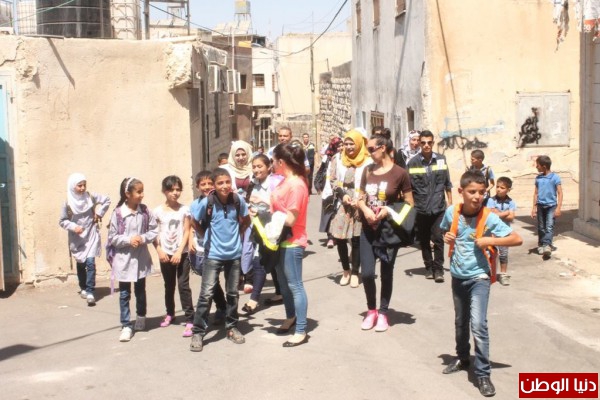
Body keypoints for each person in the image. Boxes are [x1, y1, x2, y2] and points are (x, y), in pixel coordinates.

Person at [440, 170, 522, 397]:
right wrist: (446, 237)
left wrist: (490, 240)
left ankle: (483, 373)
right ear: (461, 192)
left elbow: (517, 238)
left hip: (480, 278)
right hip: (458, 276)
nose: (477, 197)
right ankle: (463, 358)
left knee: (478, 324)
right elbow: (443, 231)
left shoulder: (489, 217)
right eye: (472, 192)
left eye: (482, 192)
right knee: (460, 321)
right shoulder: (452, 212)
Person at [189, 168, 251, 352]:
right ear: (214, 186)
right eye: (220, 183)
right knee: (206, 294)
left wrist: (238, 234)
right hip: (213, 255)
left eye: (227, 182)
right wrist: (205, 235)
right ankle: (198, 332)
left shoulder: (238, 200)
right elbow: (194, 221)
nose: (224, 186)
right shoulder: (207, 203)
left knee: (233, 294)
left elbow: (246, 220)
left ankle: (231, 327)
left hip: (234, 255)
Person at [357, 134, 413, 332]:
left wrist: (387, 211)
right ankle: (371, 310)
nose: (369, 153)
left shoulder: (400, 173)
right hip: (367, 229)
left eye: (371, 149)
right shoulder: (367, 170)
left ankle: (383, 312)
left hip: (388, 230)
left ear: (383, 148)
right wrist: (365, 210)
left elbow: (409, 203)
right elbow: (360, 197)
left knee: (386, 273)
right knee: (367, 273)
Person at [107, 177, 159, 342]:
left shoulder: (145, 211)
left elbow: (153, 230)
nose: (142, 195)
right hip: (124, 260)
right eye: (138, 192)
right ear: (127, 194)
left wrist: (142, 238)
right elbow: (113, 237)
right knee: (124, 293)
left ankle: (141, 316)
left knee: (140, 290)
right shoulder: (118, 214)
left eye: (142, 191)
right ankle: (126, 325)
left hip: (140, 259)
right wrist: (129, 240)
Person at [271, 143, 310, 347]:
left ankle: (301, 330)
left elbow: (291, 219)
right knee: (284, 285)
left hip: (292, 241)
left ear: (281, 162)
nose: (271, 164)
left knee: (295, 286)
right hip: (280, 240)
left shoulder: (296, 185)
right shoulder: (285, 181)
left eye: (273, 161)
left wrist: (266, 216)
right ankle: (291, 317)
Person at [407, 130, 453, 283]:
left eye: (429, 142)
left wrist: (450, 204)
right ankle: (428, 267)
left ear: (433, 143)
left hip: (438, 207)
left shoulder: (441, 160)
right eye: (423, 142)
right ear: (419, 144)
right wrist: (411, 206)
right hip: (420, 208)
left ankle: (438, 269)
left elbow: (447, 183)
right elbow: (408, 188)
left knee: (438, 238)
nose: (426, 145)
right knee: (424, 240)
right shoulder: (412, 163)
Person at [59, 173, 111, 306]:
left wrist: (99, 213)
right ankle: (83, 287)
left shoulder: (90, 197)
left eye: (84, 185)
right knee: (81, 263)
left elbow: (107, 200)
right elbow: (62, 221)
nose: (82, 188)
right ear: (73, 186)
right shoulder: (67, 203)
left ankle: (90, 291)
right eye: (79, 186)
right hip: (77, 238)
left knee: (90, 262)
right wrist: (74, 227)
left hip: (91, 234)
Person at [329, 129, 372, 288]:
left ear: (359, 144)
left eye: (352, 144)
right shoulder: (338, 159)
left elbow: (371, 184)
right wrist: (342, 195)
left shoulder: (368, 161)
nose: (348, 147)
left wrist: (361, 200)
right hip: (343, 203)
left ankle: (355, 272)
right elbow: (333, 180)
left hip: (360, 203)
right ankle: (345, 270)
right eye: (346, 144)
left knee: (356, 239)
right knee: (340, 237)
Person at [242, 154, 284, 314]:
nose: (256, 170)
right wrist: (251, 209)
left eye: (260, 166)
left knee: (262, 260)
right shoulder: (253, 183)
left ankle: (254, 300)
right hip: (259, 227)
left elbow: (282, 206)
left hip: (275, 228)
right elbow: (249, 202)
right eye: (254, 167)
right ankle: (278, 293)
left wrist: (264, 203)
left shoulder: (276, 183)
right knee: (266, 260)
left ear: (268, 167)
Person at [153, 175, 194, 336]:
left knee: (183, 285)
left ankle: (190, 319)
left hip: (181, 254)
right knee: (169, 285)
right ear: (164, 191)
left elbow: (187, 231)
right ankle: (170, 313)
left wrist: (179, 251)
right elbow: (153, 233)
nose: (175, 193)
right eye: (171, 190)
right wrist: (159, 250)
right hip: (165, 254)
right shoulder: (157, 211)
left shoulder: (184, 210)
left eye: (178, 189)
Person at [189, 170, 227, 325]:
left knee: (209, 281)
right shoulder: (195, 204)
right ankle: (222, 306)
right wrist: (193, 238)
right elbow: (192, 223)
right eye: (203, 184)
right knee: (211, 280)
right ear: (197, 187)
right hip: (202, 247)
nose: (206, 187)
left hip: (217, 248)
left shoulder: (220, 201)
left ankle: (217, 310)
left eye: (210, 183)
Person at [222, 140, 254, 293]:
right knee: (236, 245)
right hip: (232, 214)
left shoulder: (254, 168)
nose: (241, 158)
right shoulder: (225, 170)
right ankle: (237, 277)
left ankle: (249, 277)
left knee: (249, 245)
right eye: (237, 155)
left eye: (243, 154)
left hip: (251, 213)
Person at [486, 177, 516, 286]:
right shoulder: (491, 200)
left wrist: (498, 213)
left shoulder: (511, 202)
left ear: (508, 189)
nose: (498, 189)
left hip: (504, 232)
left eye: (502, 188)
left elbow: (511, 217)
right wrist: (506, 213)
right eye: (497, 187)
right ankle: (489, 273)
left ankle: (503, 274)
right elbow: (490, 215)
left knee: (503, 254)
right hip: (492, 232)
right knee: (490, 252)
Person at [531, 155, 562, 258]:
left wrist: (558, 208)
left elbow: (560, 193)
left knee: (549, 226)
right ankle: (541, 244)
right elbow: (536, 193)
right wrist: (533, 208)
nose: (536, 167)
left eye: (538, 165)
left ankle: (547, 245)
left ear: (544, 166)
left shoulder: (555, 177)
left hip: (551, 206)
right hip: (540, 206)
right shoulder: (538, 178)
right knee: (541, 227)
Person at [318, 137, 343, 249]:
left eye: (341, 145)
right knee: (329, 212)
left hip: (341, 189)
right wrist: (319, 185)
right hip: (328, 189)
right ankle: (330, 237)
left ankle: (338, 235)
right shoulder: (327, 158)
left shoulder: (346, 158)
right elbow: (321, 172)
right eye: (338, 146)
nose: (340, 148)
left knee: (338, 213)